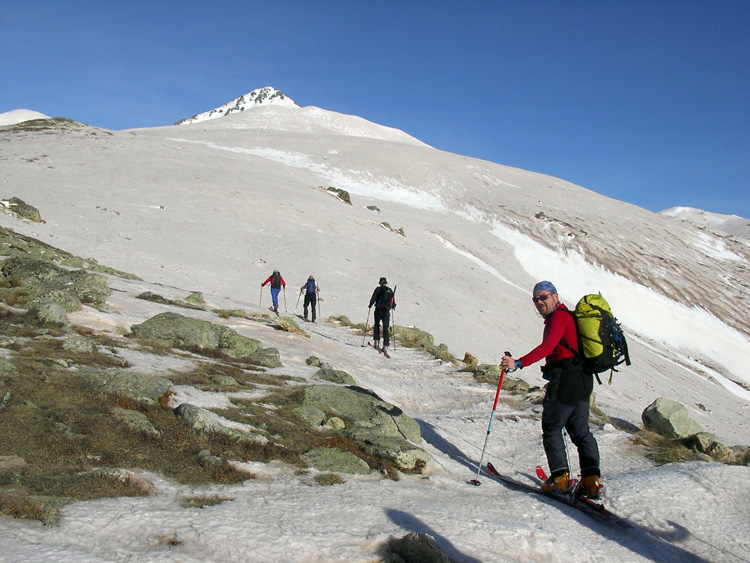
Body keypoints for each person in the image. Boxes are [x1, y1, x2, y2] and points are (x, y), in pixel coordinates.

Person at [500, 281, 602, 499]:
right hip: (583, 378)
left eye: (543, 297)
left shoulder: (559, 317)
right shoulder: (568, 317)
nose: (539, 302)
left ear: (555, 296)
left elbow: (548, 347)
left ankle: (560, 479)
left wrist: (518, 363)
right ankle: (591, 481)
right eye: (535, 299)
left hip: (566, 379)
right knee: (580, 430)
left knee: (552, 426)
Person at [368, 277, 395, 351]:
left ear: (380, 283)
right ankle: (386, 345)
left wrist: (370, 305)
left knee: (377, 325)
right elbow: (393, 303)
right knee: (385, 328)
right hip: (386, 312)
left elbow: (373, 298)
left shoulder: (378, 289)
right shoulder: (390, 291)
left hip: (378, 310)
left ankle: (376, 341)